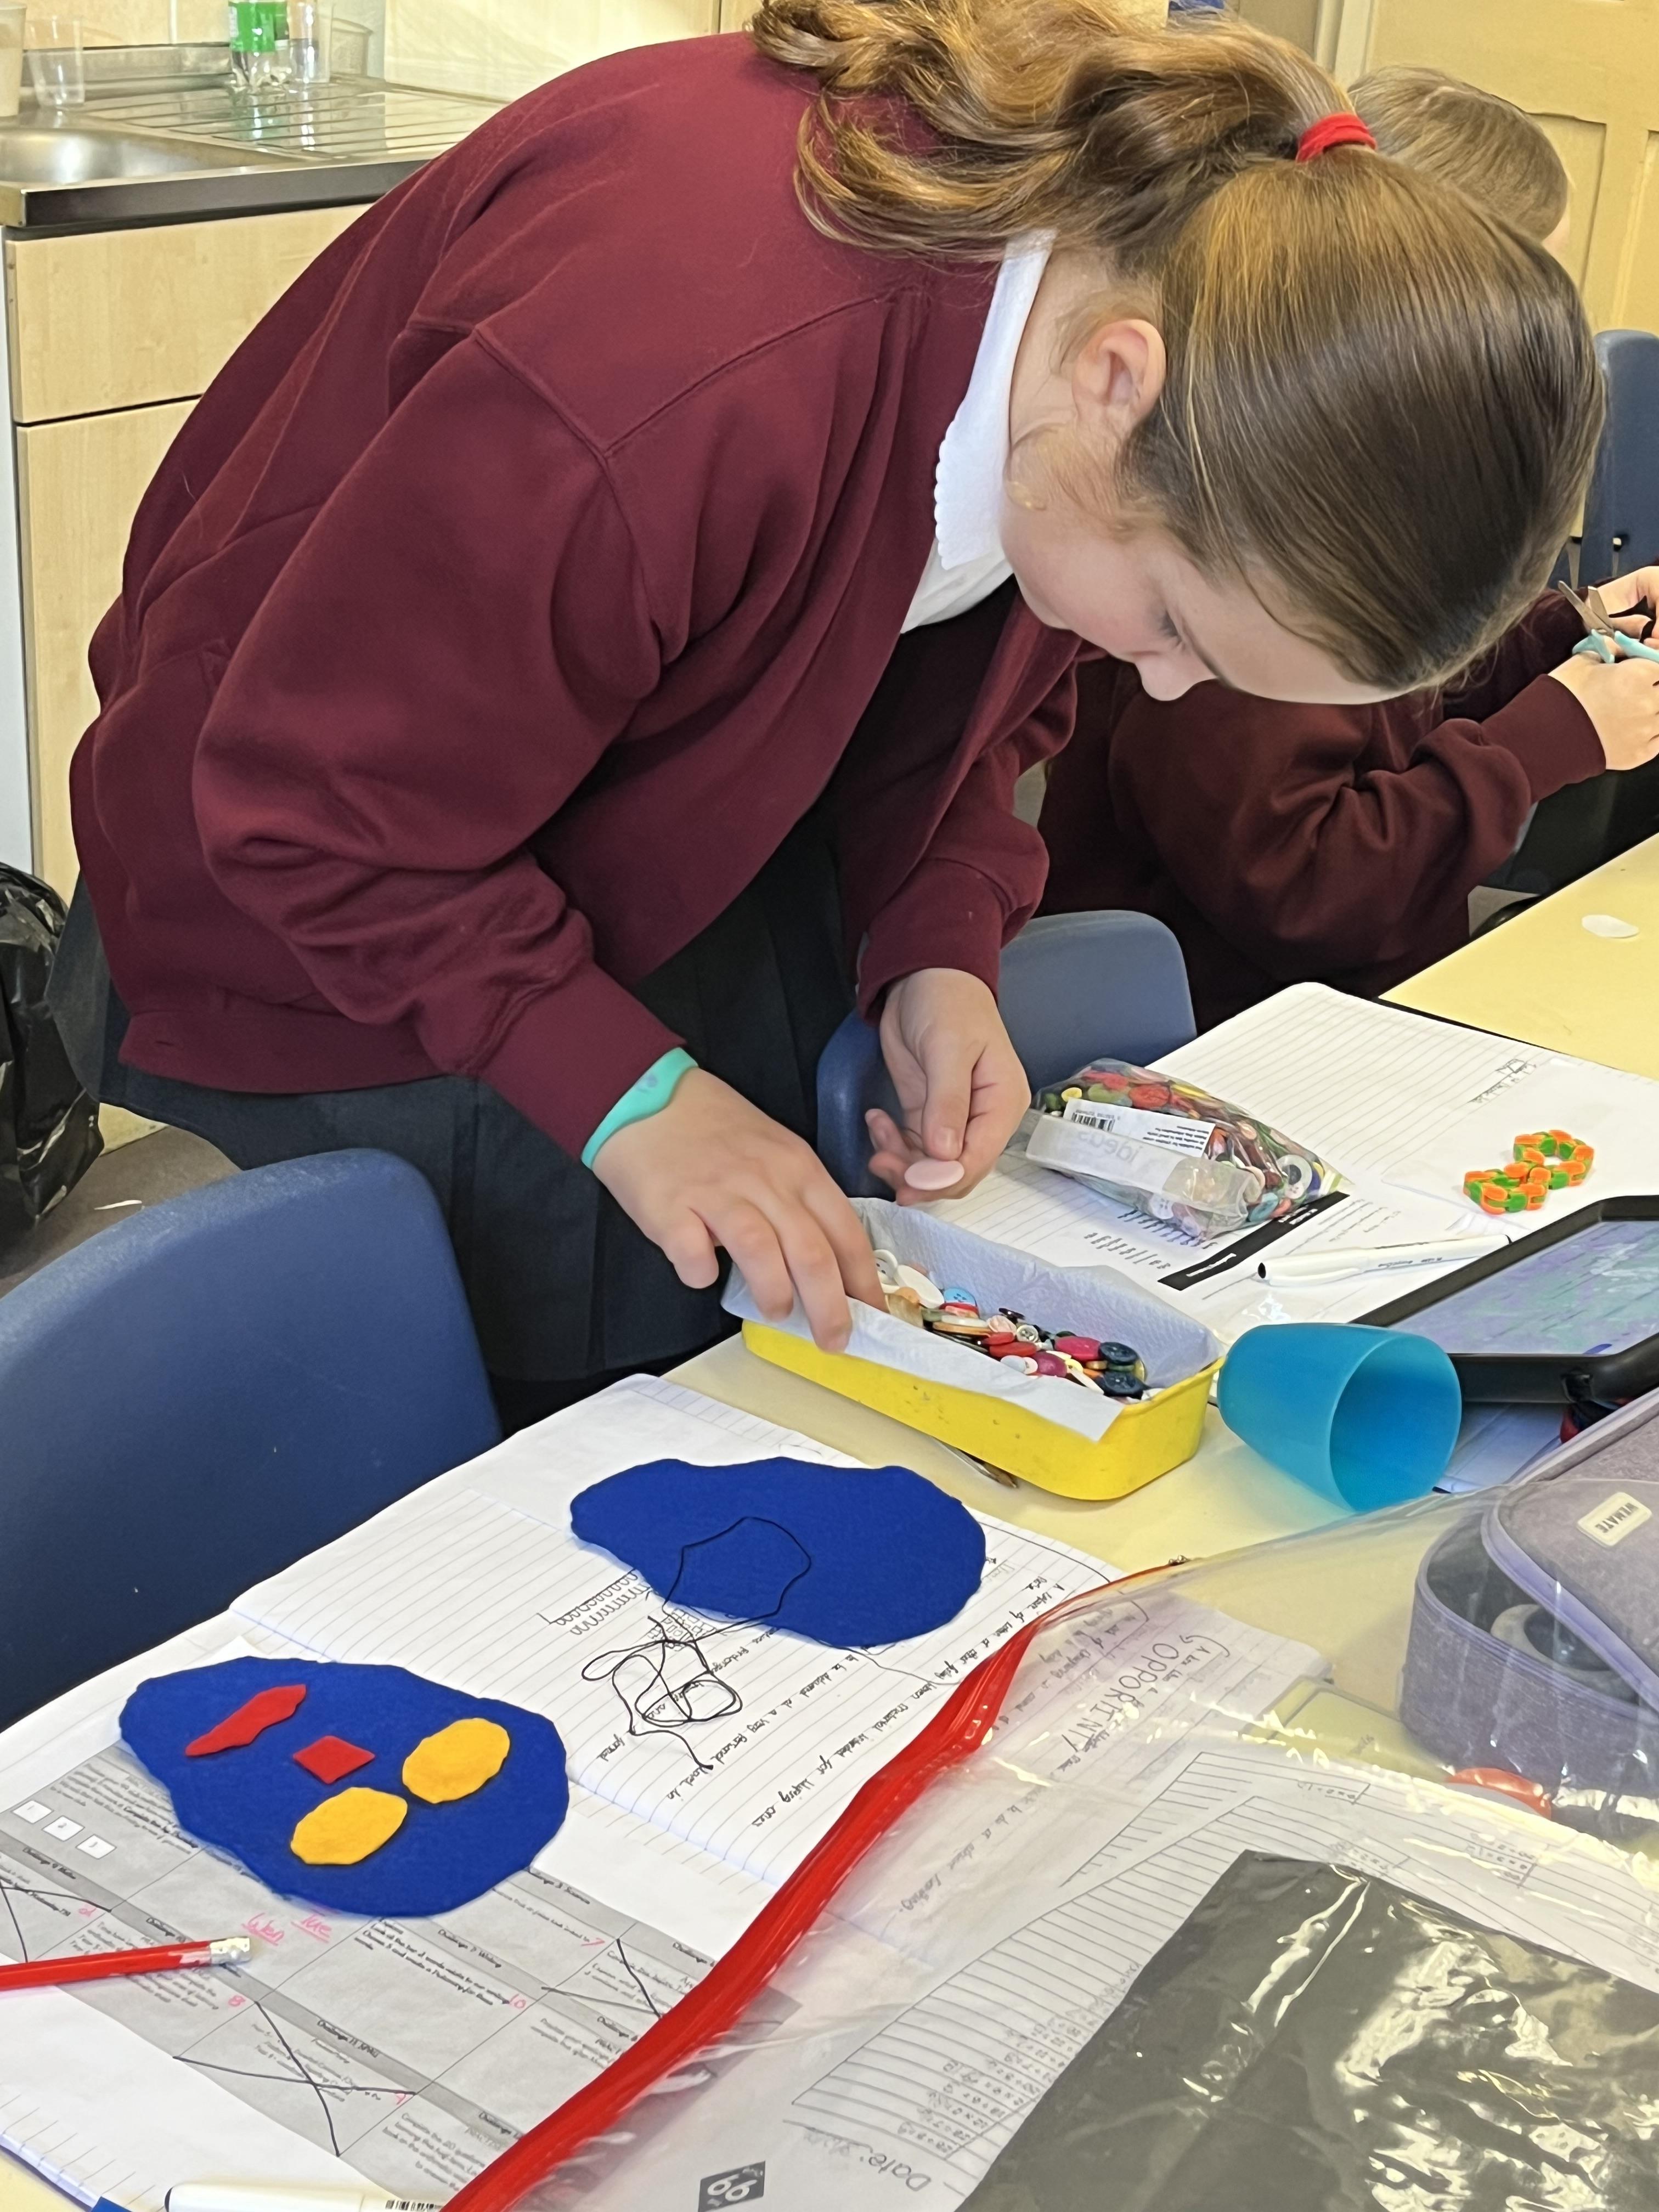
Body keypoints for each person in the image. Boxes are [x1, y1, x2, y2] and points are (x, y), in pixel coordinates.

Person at [52, 3, 1598, 1428]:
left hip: (648, 843)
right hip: (313, 906)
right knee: (424, 1429)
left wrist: (939, 935)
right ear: (1122, 383)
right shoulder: (684, 366)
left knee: (709, 1344)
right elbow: (316, 809)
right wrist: (629, 1093)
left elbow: (968, 678)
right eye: (1180, 628)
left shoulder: (1093, 341)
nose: (1167, 685)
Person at [1040, 62, 1656, 1031]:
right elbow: (1310, 893)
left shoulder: (1358, 513)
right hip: (1214, 1045)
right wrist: (1546, 743)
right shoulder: (1257, 563)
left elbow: (1406, 707)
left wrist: (1567, 635)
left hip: (1340, 1016)